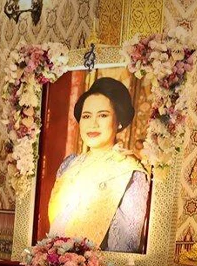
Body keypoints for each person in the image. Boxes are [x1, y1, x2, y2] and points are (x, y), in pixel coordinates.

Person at [47, 76, 151, 253]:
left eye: (103, 115)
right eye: (86, 116)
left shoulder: (129, 171)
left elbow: (127, 243)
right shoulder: (69, 165)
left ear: (118, 122)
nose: (93, 124)